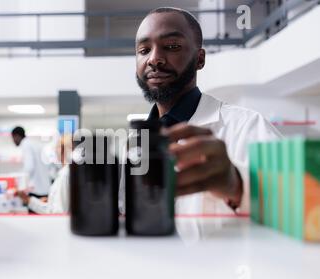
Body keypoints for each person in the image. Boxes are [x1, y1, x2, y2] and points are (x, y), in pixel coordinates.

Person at [119, 7, 282, 215]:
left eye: (171, 46)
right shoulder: (135, 143)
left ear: (199, 59)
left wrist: (239, 186)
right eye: (144, 51)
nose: (154, 59)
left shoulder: (248, 127)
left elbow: (305, 203)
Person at [16, 135, 72, 214]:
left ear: (62, 150)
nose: (55, 150)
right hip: (44, 190)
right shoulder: (66, 172)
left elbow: (57, 213)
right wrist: (51, 200)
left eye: (57, 146)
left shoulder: (64, 175)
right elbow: (54, 208)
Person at [11, 126, 51, 198]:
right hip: (45, 187)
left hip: (36, 189)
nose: (13, 141)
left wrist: (21, 186)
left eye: (13, 138)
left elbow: (29, 167)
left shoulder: (26, 145)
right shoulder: (33, 143)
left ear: (16, 136)